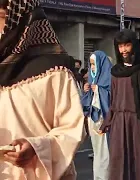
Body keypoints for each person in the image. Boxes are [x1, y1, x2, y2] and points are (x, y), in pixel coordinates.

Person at [0, 0, 84, 179]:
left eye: (1, 18)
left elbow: (72, 129)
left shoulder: (54, 72)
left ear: (20, 22)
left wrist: (36, 148)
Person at [99, 29, 140, 180]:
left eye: (127, 45)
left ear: (134, 46)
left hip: (137, 121)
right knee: (118, 160)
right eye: (120, 46)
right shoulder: (115, 72)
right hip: (119, 122)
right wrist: (107, 122)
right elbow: (113, 100)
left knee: (137, 160)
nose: (123, 50)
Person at [82, 51, 112, 180]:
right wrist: (86, 91)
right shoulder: (92, 79)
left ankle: (107, 176)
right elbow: (86, 102)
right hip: (93, 119)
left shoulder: (110, 78)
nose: (92, 67)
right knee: (97, 150)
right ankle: (99, 176)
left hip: (104, 119)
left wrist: (99, 91)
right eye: (91, 64)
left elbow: (112, 98)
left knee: (105, 149)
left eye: (95, 64)